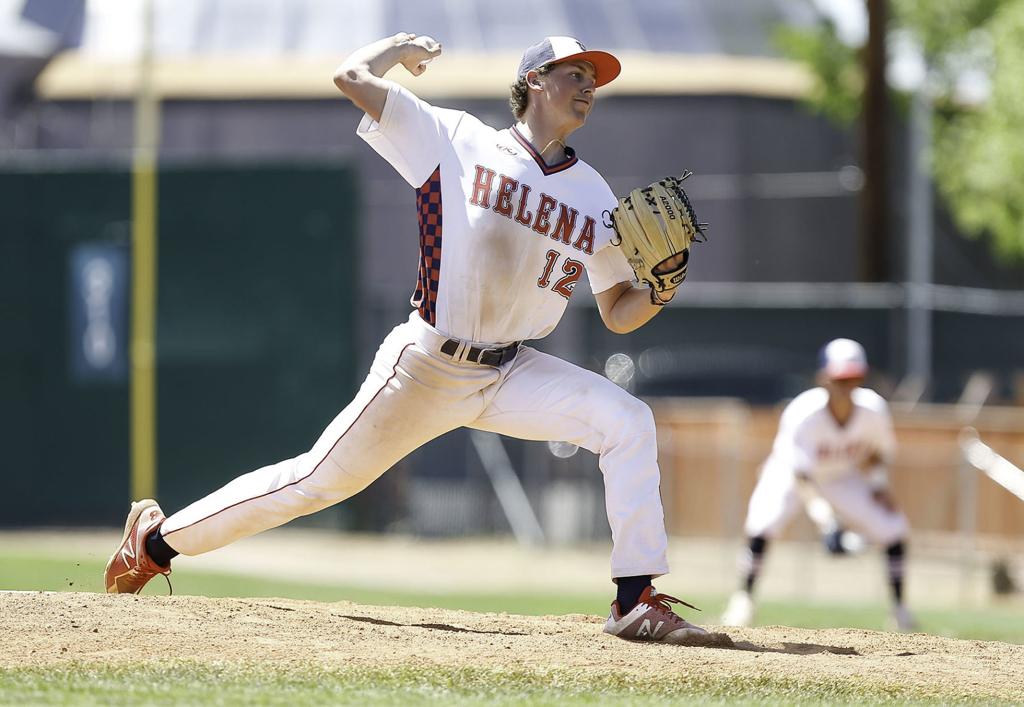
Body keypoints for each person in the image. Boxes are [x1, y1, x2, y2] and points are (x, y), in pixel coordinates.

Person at [104, 33, 708, 644]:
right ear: (533, 81)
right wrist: (399, 49)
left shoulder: (595, 195)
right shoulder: (456, 138)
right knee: (315, 483)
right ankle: (155, 542)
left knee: (626, 419)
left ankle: (634, 599)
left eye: (593, 79)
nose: (588, 87)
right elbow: (349, 76)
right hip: (425, 365)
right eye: (574, 72)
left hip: (510, 372)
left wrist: (661, 290)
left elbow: (616, 312)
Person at [720, 338, 916, 632]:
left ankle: (899, 609)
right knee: (763, 524)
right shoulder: (803, 412)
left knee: (894, 528)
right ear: (823, 378)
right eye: (839, 378)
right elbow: (801, 476)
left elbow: (877, 453)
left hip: (841, 476)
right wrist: (827, 522)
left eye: (853, 378)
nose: (846, 386)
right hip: (789, 474)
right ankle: (743, 599)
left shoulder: (873, 409)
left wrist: (877, 486)